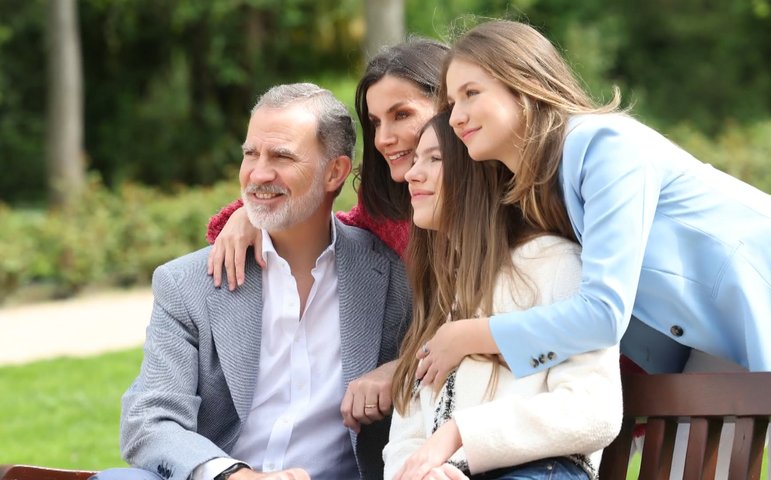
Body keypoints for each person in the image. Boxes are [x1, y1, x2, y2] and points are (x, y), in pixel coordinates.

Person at [414, 19, 771, 478]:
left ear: (524, 84)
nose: (456, 115)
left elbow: (603, 313)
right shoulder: (542, 185)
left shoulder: (601, 145)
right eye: (450, 102)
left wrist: (468, 335)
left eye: (471, 93)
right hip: (717, 342)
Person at [93, 83, 412, 480]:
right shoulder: (186, 284)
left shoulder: (390, 275)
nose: (258, 174)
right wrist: (234, 476)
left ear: (336, 172)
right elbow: (150, 420)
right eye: (250, 154)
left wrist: (399, 369)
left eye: (281, 156)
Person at [203, 39, 449, 434]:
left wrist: (400, 368)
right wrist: (249, 214)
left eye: (401, 114)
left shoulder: (506, 207)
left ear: (451, 106)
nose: (384, 137)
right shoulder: (390, 209)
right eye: (375, 123)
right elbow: (328, 224)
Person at [384, 112, 621, 480]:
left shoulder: (552, 263)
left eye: (434, 159)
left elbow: (594, 411)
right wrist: (417, 472)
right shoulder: (444, 294)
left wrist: (462, 433)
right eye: (415, 160)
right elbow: (408, 430)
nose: (413, 174)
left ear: (478, 172)